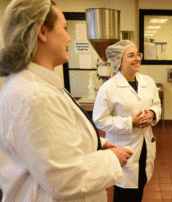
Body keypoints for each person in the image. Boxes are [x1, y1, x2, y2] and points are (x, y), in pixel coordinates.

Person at [0, 0, 133, 201]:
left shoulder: (38, 85)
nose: (69, 37)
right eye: (64, 28)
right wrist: (113, 159)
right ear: (42, 32)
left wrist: (98, 143)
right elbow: (65, 179)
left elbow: (57, 140)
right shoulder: (34, 96)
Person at [92, 40, 162, 202]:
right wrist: (130, 122)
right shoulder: (108, 88)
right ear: (118, 61)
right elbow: (100, 120)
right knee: (125, 192)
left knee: (140, 185)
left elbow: (157, 105)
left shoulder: (148, 82)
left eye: (138, 54)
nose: (137, 58)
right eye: (131, 55)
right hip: (124, 148)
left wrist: (152, 114)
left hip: (145, 145)